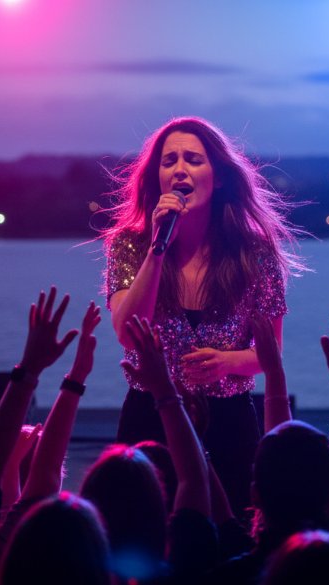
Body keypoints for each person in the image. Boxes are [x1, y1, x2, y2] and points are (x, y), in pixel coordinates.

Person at [102, 116, 302, 516]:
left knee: (229, 542)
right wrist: (158, 249)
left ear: (220, 176)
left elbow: (272, 352)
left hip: (229, 425)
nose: (179, 169)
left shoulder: (255, 254)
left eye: (193, 159)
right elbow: (127, 332)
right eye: (168, 160)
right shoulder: (130, 244)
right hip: (150, 418)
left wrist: (228, 362)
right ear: (155, 176)